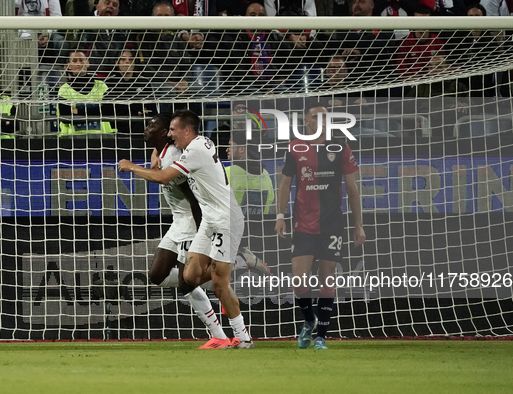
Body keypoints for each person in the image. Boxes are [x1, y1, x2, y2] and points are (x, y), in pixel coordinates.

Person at [118, 110, 253, 348]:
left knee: (219, 283)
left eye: (173, 130)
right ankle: (231, 267)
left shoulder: (193, 153)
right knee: (189, 277)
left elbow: (162, 178)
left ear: (187, 131)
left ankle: (242, 337)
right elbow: (166, 151)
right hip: (209, 219)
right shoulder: (199, 143)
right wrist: (155, 153)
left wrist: (131, 167)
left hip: (223, 219)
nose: (170, 135)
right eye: (168, 131)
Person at [274, 101, 366, 350]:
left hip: (332, 224)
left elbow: (353, 189)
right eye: (315, 116)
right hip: (303, 224)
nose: (321, 120)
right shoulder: (295, 147)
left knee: (327, 280)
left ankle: (321, 337)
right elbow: (285, 184)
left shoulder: (341, 146)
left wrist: (358, 225)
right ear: (306, 121)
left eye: (325, 116)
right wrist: (279, 215)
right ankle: (309, 319)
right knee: (299, 281)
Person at [225, 131, 273, 276]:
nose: (226, 149)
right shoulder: (267, 176)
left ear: (242, 149)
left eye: (230, 146)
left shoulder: (228, 173)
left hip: (229, 234)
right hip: (258, 235)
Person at [57, 50, 116, 136]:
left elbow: (109, 111)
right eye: (74, 61)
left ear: (87, 63)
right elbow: (66, 117)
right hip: (72, 141)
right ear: (68, 66)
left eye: (81, 60)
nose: (78, 64)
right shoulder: (64, 89)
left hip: (103, 139)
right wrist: (96, 112)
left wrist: (77, 111)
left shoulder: (101, 85)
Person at [104, 49, 157, 137]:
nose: (127, 62)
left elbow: (152, 110)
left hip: (140, 128)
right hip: (117, 129)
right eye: (123, 59)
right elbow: (108, 110)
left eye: (130, 59)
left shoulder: (143, 82)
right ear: (117, 62)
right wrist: (136, 110)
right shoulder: (109, 83)